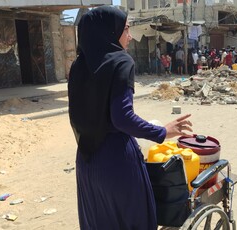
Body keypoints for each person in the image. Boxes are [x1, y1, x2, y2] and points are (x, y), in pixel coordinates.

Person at [68, 6, 193, 230]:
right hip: (116, 161)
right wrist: (163, 131)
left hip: (86, 160)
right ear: (110, 31)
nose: (129, 36)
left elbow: (79, 116)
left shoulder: (78, 66)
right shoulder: (121, 61)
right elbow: (122, 118)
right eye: (125, 29)